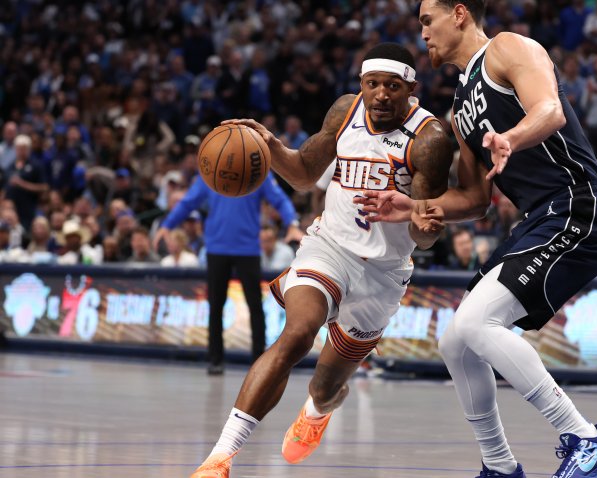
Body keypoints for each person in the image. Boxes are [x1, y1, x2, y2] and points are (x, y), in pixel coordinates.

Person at [360, 3, 597, 476]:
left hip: (577, 206)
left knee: (481, 323)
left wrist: (513, 137)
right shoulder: (461, 106)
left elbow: (549, 109)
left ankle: (586, 438)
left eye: (427, 20)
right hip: (537, 219)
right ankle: (500, 466)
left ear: (459, 14)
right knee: (455, 342)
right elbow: (476, 200)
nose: (422, 33)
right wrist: (415, 207)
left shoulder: (507, 48)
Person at [189, 43, 453, 478]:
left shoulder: (430, 139)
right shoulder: (345, 112)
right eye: (372, 84)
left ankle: (317, 410)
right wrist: (268, 143)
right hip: (328, 248)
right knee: (296, 335)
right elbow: (303, 173)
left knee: (326, 385)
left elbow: (426, 237)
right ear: (361, 86)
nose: (381, 94)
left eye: (392, 86)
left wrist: (415, 215)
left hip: (383, 273)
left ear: (411, 88)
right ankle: (220, 458)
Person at [155, 171, 300, 375]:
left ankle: (259, 360)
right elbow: (189, 201)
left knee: (255, 307)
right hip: (217, 248)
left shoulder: (257, 173)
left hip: (247, 248)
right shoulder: (211, 171)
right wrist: (167, 224)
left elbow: (280, 199)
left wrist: (292, 223)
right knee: (215, 306)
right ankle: (215, 359)